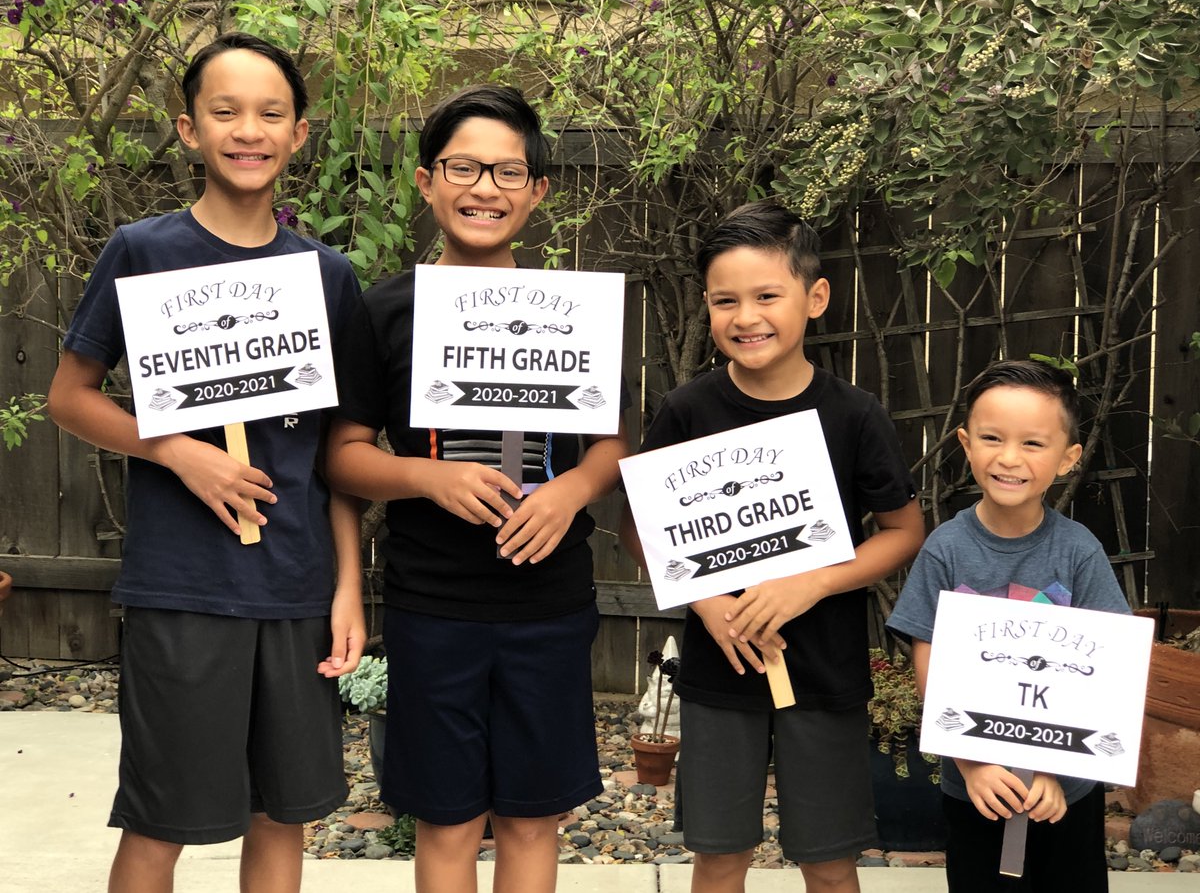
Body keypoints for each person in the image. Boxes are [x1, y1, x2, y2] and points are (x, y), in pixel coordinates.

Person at [47, 33, 364, 893]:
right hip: (182, 588)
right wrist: (181, 453)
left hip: (296, 589)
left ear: (301, 133)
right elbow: (69, 397)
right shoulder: (142, 251)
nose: (248, 130)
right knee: (163, 822)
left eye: (271, 113)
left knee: (284, 816)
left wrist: (346, 588)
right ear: (189, 130)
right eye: (225, 112)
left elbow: (340, 457)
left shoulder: (326, 277)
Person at [326, 84, 627, 893]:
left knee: (534, 817)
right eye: (463, 167)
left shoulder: (575, 310)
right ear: (426, 181)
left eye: (506, 171)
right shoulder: (386, 310)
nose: (484, 188)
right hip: (434, 605)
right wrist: (424, 476)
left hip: (550, 603)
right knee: (447, 817)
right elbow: (344, 457)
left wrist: (571, 493)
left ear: (538, 191)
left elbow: (609, 448)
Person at [622, 201, 925, 893]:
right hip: (718, 674)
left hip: (822, 672)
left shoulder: (854, 415)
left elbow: (905, 533)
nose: (746, 316)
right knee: (720, 854)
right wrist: (708, 604)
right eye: (726, 300)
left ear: (814, 298)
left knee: (828, 857)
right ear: (707, 305)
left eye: (767, 296)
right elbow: (639, 529)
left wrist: (812, 583)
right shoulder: (688, 411)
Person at [887, 359, 1131, 892]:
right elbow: (929, 665)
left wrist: (1054, 771)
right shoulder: (946, 551)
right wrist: (972, 763)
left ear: (1069, 458)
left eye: (1033, 444)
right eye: (992, 438)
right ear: (966, 443)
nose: (1009, 458)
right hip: (976, 786)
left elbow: (1109, 669)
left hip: (1065, 791)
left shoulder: (1079, 552)